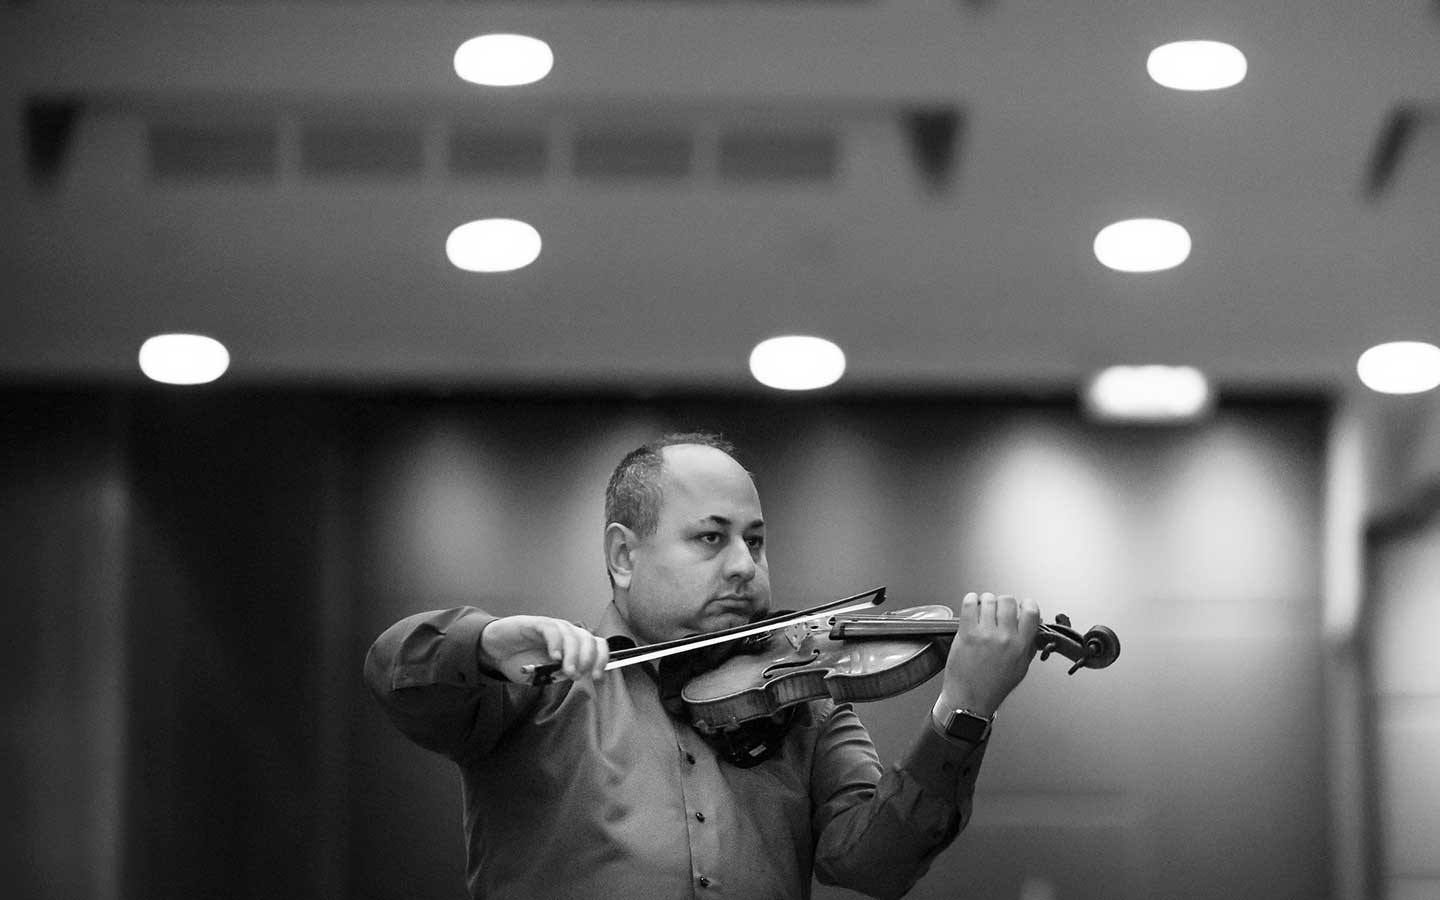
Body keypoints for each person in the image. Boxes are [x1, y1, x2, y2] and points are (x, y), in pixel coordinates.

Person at [365, 432, 1040, 900]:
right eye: (711, 539)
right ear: (625, 557)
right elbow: (399, 674)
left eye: (755, 541)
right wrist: (483, 643)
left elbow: (874, 863)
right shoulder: (537, 687)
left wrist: (965, 709)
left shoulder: (804, 702)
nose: (745, 566)